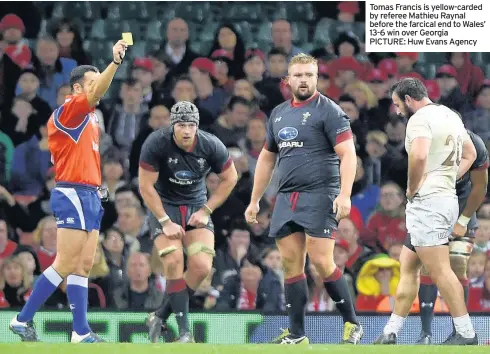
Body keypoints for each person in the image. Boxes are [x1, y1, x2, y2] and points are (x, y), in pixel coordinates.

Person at [9, 40, 128, 343]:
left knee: (84, 264)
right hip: (72, 192)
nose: (96, 88)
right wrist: (113, 64)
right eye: (91, 83)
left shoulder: (89, 120)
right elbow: (99, 91)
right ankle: (22, 320)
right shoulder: (68, 112)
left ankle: (80, 331)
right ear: (77, 89)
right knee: (64, 262)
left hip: (88, 193)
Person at [245, 53, 363, 345]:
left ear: (317, 77)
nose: (304, 80)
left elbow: (348, 154)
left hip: (321, 193)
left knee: (322, 261)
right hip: (286, 197)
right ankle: (297, 334)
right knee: (290, 264)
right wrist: (254, 199)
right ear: (288, 79)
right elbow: (266, 159)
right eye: (298, 75)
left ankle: (352, 323)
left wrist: (345, 194)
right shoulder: (279, 113)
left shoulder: (330, 111)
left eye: (310, 75)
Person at [374, 78, 479, 345]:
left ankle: (466, 333)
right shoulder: (449, 116)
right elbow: (470, 154)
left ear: (409, 100)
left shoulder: (419, 119)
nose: (398, 111)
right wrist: (447, 178)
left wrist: (414, 187)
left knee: (442, 271)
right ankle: (391, 331)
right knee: (408, 265)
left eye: (398, 105)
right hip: (444, 199)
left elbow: (419, 156)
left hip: (428, 203)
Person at [138, 101, 238, 343]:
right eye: (181, 125)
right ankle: (185, 333)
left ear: (197, 126)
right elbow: (145, 185)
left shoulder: (211, 144)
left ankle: (160, 315)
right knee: (173, 260)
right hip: (164, 207)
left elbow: (230, 178)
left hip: (196, 207)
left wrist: (206, 209)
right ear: (173, 126)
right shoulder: (156, 142)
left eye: (191, 125)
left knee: (202, 267)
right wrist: (164, 220)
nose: (186, 130)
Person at [415, 129, 488, 344]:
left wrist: (464, 221)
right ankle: (425, 333)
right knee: (428, 268)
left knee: (457, 265)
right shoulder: (424, 143)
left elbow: (480, 187)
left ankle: (461, 331)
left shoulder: (475, 145)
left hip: (463, 213)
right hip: (433, 214)